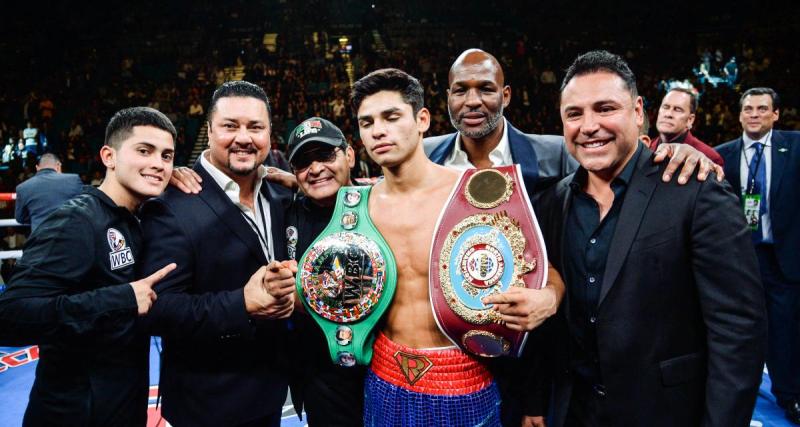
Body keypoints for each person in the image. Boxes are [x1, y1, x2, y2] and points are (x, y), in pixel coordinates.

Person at [536, 50, 766, 426]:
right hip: (575, 412)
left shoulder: (694, 190)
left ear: (639, 111)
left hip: (666, 414)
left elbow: (738, 330)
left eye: (605, 108)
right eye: (574, 114)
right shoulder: (553, 202)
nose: (589, 126)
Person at [352, 68, 563, 427]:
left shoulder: (474, 193)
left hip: (466, 378)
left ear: (422, 120)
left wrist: (550, 298)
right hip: (384, 377)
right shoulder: (356, 208)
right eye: (366, 122)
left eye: (391, 117)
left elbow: (541, 269)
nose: (378, 131)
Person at [0, 107, 178, 426]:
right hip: (72, 413)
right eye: (144, 151)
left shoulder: (137, 218)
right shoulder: (75, 221)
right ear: (109, 156)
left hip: (119, 407)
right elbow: (11, 316)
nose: (158, 163)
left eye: (167, 156)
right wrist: (121, 299)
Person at [138, 80, 295, 427]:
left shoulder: (280, 195)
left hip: (271, 389)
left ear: (270, 134)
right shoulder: (172, 204)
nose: (244, 137)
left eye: (255, 127)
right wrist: (243, 303)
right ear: (209, 132)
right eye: (230, 126)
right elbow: (157, 308)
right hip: (208, 402)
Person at [423, 49, 724, 203]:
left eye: (486, 89)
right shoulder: (422, 156)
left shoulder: (558, 153)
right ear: (448, 97)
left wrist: (677, 151)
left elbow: (621, 183)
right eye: (461, 90)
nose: (472, 101)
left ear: (506, 96)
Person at [716, 87, 800, 425]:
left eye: (762, 109)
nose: (754, 114)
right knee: (740, 333)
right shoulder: (723, 155)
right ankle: (738, 402)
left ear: (775, 114)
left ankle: (790, 396)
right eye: (748, 108)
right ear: (739, 115)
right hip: (741, 262)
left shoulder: (795, 147)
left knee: (785, 332)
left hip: (784, 259)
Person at [282, 117, 366, 426]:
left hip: (385, 371)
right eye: (304, 161)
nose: (315, 168)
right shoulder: (284, 213)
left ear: (350, 155)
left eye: (326, 155)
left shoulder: (385, 205)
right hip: (321, 379)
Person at [649, 87, 724, 166]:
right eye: (665, 107)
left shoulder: (709, 157)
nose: (668, 114)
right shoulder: (644, 148)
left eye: (677, 109)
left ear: (690, 120)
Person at [14, 153, 83, 231]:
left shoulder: (23, 187)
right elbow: (83, 208)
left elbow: (20, 218)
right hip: (69, 236)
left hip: (40, 238)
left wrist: (36, 216)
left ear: (37, 168)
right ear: (58, 165)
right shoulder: (73, 179)